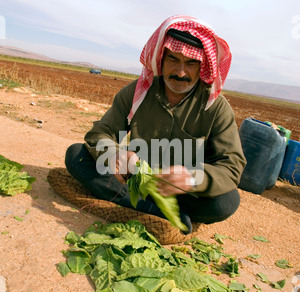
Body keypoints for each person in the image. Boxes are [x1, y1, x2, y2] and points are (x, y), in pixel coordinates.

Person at [65, 15, 246, 233]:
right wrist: (113, 153)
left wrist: (192, 177)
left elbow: (231, 165)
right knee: (77, 155)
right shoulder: (137, 92)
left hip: (182, 192)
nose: (181, 72)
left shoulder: (215, 107)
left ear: (203, 66)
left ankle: (147, 206)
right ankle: (153, 211)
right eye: (173, 60)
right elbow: (101, 132)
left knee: (226, 201)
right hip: (134, 180)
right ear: (160, 59)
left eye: (191, 63)